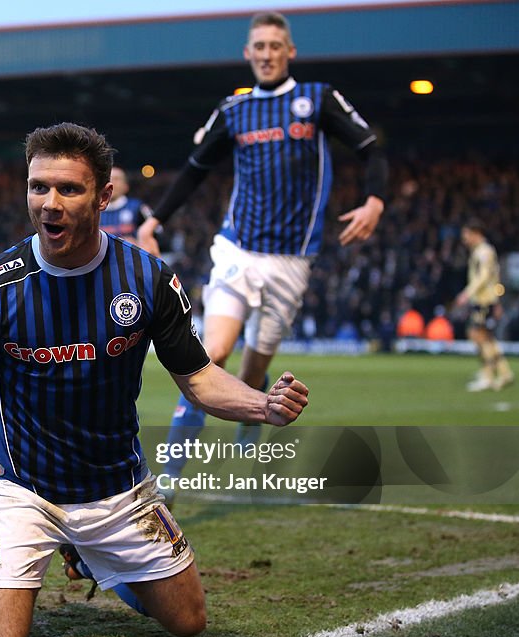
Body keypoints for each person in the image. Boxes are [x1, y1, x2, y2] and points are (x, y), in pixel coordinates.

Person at [0, 123, 309, 637]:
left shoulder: (149, 280)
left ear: (104, 195)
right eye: (38, 187)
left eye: (68, 189)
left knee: (188, 622)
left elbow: (198, 378)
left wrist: (261, 404)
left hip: (118, 490)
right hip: (24, 489)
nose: (49, 204)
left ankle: (91, 556)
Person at [136, 11, 386, 501]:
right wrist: (154, 220)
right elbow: (194, 169)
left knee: (249, 377)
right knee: (210, 358)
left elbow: (371, 149)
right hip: (236, 250)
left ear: (289, 52)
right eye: (259, 47)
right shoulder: (234, 110)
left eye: (276, 45)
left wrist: (375, 200)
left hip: (290, 261)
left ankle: (256, 394)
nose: (267, 54)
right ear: (247, 54)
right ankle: (169, 479)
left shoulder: (317, 99)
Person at [454, 220, 513, 391]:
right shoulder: (482, 251)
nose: (464, 239)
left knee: (478, 334)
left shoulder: (484, 252)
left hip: (484, 300)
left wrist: (467, 293)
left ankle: (488, 374)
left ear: (476, 233)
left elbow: (484, 276)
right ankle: (503, 372)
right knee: (485, 337)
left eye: (466, 234)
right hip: (484, 299)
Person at [99, 166, 160, 253]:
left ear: (126, 186)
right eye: (108, 179)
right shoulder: (94, 210)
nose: (112, 182)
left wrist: (139, 244)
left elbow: (157, 232)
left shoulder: (138, 207)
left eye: (117, 179)